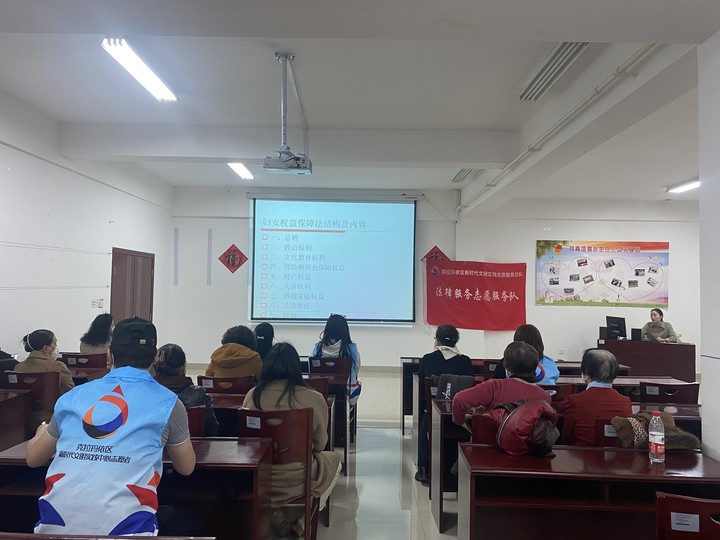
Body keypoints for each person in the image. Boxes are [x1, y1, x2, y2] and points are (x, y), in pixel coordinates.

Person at [26, 317, 196, 536]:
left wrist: (42, 431)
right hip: (126, 532)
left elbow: (33, 459)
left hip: (53, 529)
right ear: (155, 357)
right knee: (185, 520)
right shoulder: (169, 403)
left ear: (109, 355)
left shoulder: (72, 397)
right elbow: (186, 467)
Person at [243, 342, 341, 537]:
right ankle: (305, 519)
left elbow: (247, 442)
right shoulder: (314, 398)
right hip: (300, 476)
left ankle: (276, 515)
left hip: (260, 475)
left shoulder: (253, 395)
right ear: (297, 367)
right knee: (335, 462)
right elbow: (320, 444)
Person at [415, 324, 473, 485]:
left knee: (425, 417)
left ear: (438, 341)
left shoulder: (428, 359)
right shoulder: (465, 361)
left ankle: (423, 469)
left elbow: (421, 382)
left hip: (435, 415)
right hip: (461, 417)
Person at [452, 341, 551, 427]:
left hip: (491, 440)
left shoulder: (494, 387)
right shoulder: (545, 397)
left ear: (507, 367)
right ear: (536, 367)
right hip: (528, 443)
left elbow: (459, 400)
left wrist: (461, 422)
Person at [560, 348, 632, 446]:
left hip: (581, 454)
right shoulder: (626, 402)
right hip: (616, 455)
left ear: (585, 373)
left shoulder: (574, 401)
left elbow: (566, 438)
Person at [154, 343, 219, 436]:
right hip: (192, 444)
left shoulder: (145, 392)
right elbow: (212, 429)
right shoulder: (198, 393)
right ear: (183, 367)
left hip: (155, 444)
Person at [311, 313, 361, 403]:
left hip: (322, 390)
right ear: (345, 330)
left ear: (327, 329)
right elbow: (356, 367)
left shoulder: (318, 348)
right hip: (346, 391)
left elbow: (311, 368)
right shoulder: (351, 348)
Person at [492, 324, 559, 385]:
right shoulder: (550, 363)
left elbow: (496, 387)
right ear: (539, 342)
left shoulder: (505, 363)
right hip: (546, 394)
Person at [16, 329, 74, 396]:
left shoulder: (18, 367)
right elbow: (71, 394)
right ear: (45, 348)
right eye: (55, 343)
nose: (56, 346)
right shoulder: (58, 366)